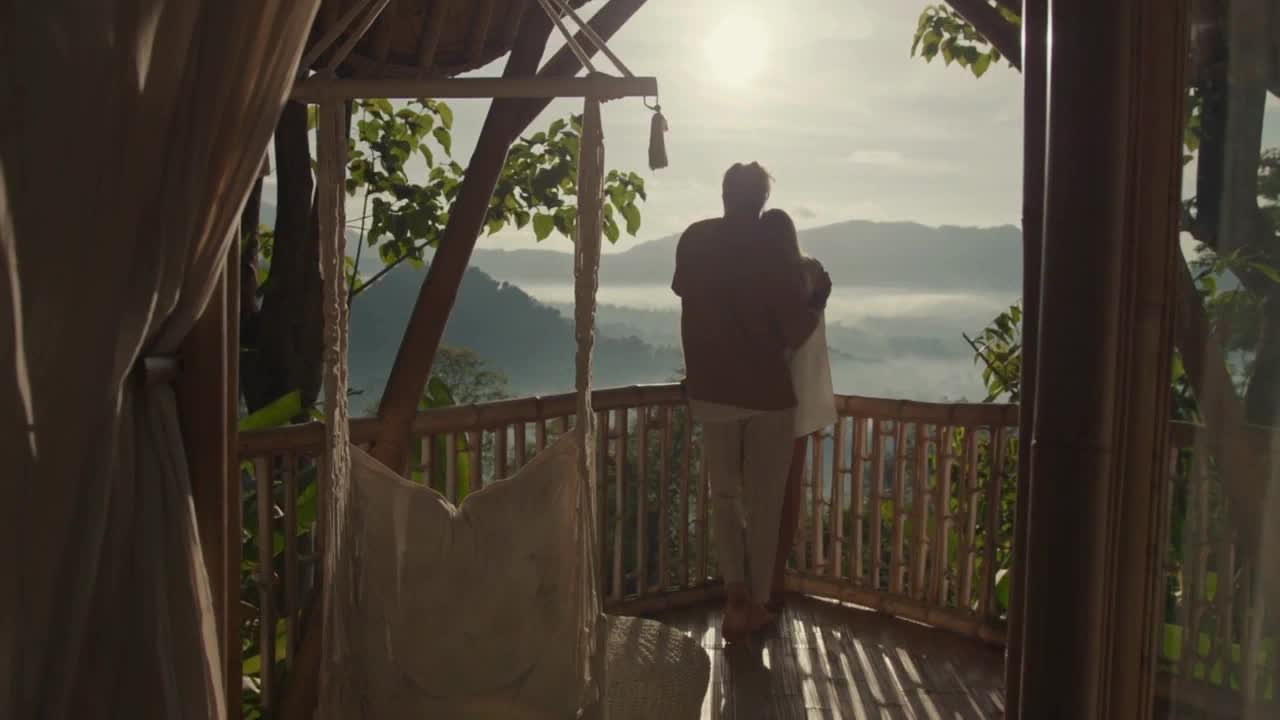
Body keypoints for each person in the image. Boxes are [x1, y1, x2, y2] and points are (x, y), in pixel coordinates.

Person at [671, 163, 830, 642]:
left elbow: (689, 301)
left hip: (711, 388)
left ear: (723, 194)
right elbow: (794, 330)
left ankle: (734, 595)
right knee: (764, 502)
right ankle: (756, 605)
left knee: (724, 497)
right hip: (766, 392)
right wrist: (817, 299)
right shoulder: (772, 250)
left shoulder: (694, 240)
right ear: (761, 200)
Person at [757, 209, 838, 613]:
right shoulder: (812, 272)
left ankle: (761, 583)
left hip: (771, 395)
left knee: (764, 495)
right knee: (787, 496)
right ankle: (774, 582)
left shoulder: (775, 279)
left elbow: (786, 336)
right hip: (804, 396)